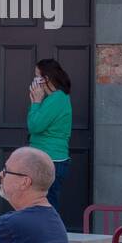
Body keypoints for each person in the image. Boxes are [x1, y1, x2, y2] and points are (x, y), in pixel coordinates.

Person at [27, 59, 72, 214]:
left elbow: (35, 126)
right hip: (48, 158)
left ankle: (50, 236)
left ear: (45, 79)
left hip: (50, 159)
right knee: (43, 204)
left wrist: (36, 103)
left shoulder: (56, 99)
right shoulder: (57, 99)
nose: (34, 81)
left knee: (45, 205)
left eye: (36, 76)